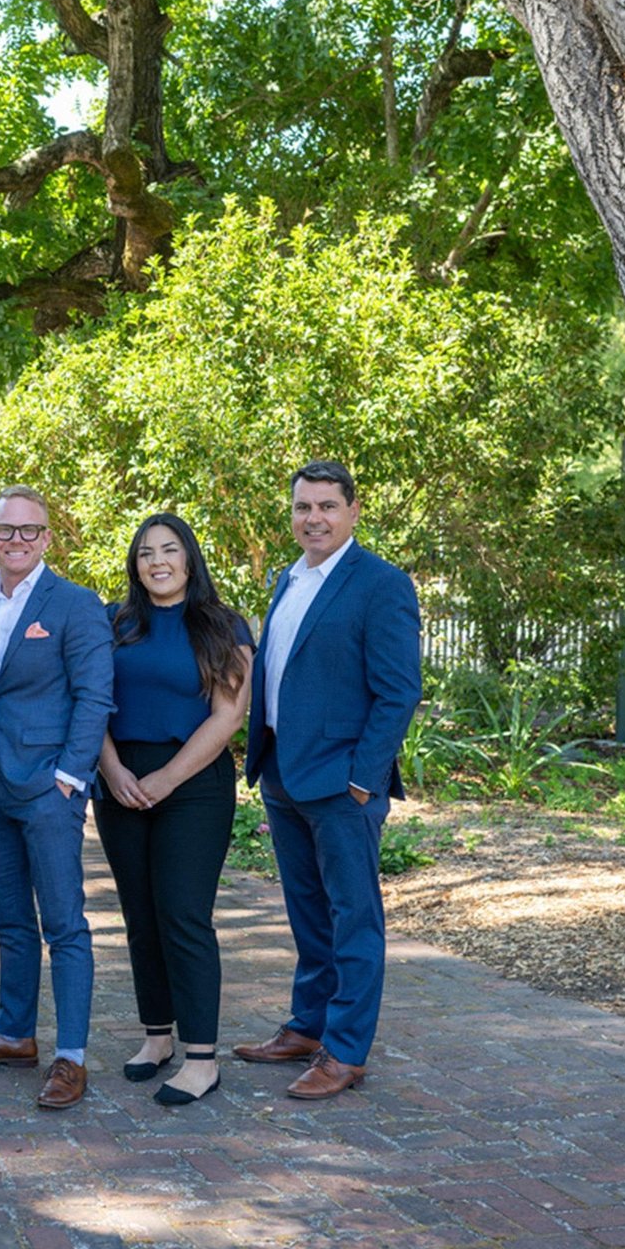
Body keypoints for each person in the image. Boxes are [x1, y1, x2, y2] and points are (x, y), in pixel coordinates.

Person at [237, 461, 421, 1100]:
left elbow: (398, 693)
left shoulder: (380, 584)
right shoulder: (288, 579)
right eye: (302, 507)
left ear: (353, 510)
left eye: (325, 506)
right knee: (308, 915)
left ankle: (345, 1050)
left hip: (343, 784)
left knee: (354, 920)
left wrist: (363, 781)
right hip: (284, 771)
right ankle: (308, 1027)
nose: (312, 518)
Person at [0, 485, 113, 1111]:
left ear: (46, 538)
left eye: (28, 531)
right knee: (10, 920)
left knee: (64, 924)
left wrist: (70, 775)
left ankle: (71, 1058)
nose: (15, 541)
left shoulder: (75, 604)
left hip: (47, 786)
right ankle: (14, 1033)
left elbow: (95, 696)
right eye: (3, 530)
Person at [93, 514, 253, 1107]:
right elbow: (91, 702)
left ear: (189, 558)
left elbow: (229, 715)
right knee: (140, 913)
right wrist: (112, 770)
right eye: (144, 554)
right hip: (121, 780)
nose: (157, 562)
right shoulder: (115, 622)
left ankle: (201, 1058)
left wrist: (166, 777)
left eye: (169, 550)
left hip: (193, 783)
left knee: (183, 915)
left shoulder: (221, 624)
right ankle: (156, 1037)